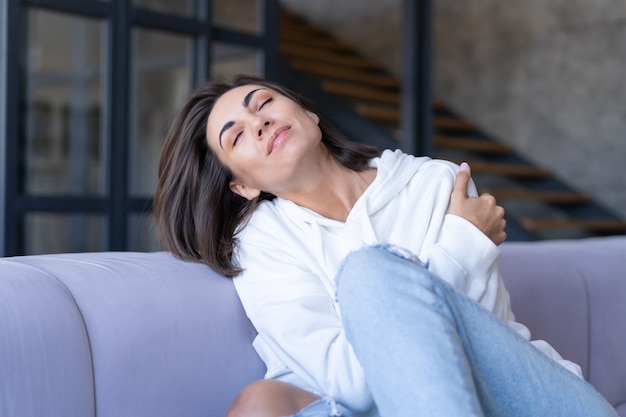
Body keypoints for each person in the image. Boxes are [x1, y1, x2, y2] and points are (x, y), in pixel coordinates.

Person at [154, 75, 617, 417]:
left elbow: (472, 341)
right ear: (243, 187)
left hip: (534, 401)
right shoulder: (262, 245)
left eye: (266, 102)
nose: (259, 122)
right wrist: (459, 245)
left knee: (368, 273)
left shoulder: (437, 183)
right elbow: (351, 387)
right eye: (236, 135)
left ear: (308, 113)